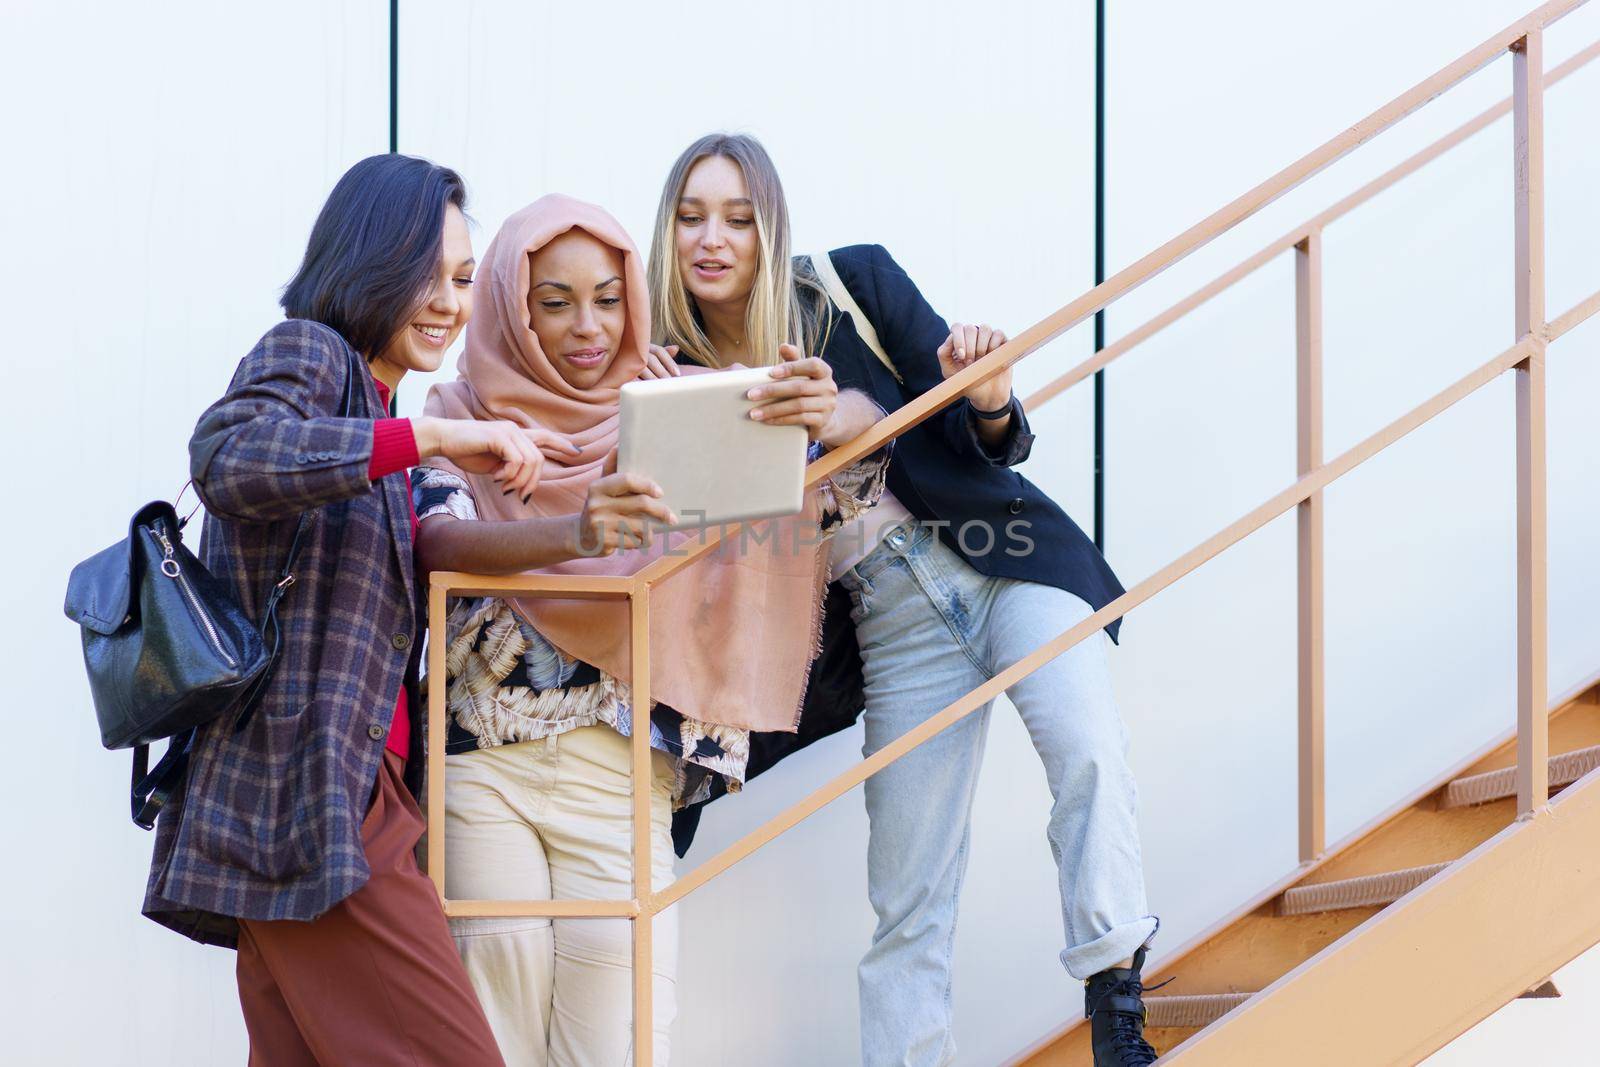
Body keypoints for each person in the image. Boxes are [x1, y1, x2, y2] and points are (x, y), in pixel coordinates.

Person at [649, 133, 1161, 1067]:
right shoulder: (669, 372)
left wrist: (989, 391)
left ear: (770, 227)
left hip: (1004, 566)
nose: (710, 238)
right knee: (908, 893)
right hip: (892, 632)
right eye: (690, 217)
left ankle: (1115, 1002)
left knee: (1086, 746)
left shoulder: (852, 286)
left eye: (735, 216)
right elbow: (697, 553)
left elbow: (987, 437)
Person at [414, 193, 889, 1067]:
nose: (587, 326)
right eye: (553, 303)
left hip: (621, 778)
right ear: (511, 313)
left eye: (607, 298)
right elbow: (436, 539)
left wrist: (834, 412)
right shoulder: (458, 412)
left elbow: (832, 492)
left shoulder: (673, 407)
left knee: (621, 1044)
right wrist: (576, 531)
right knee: (493, 1039)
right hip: (485, 770)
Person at [141, 154, 580, 1064]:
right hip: (313, 798)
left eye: (463, 279)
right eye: (429, 273)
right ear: (369, 258)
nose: (450, 302)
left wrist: (575, 519)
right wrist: (436, 433)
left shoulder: (379, 422)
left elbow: (430, 545)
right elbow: (230, 456)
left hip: (334, 798)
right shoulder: (310, 353)